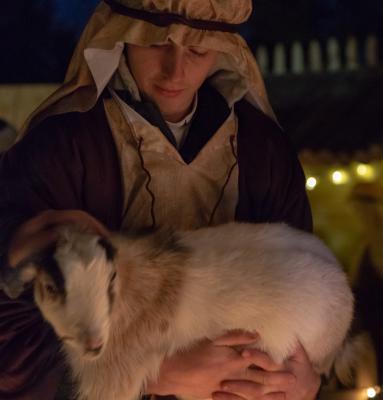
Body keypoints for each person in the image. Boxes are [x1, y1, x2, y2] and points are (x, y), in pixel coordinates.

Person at [0, 1, 322, 399]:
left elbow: (301, 285)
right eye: (156, 44)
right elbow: (10, 325)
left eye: (198, 50)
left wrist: (306, 377)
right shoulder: (63, 148)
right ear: (123, 36)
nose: (176, 70)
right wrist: (146, 374)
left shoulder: (264, 152)